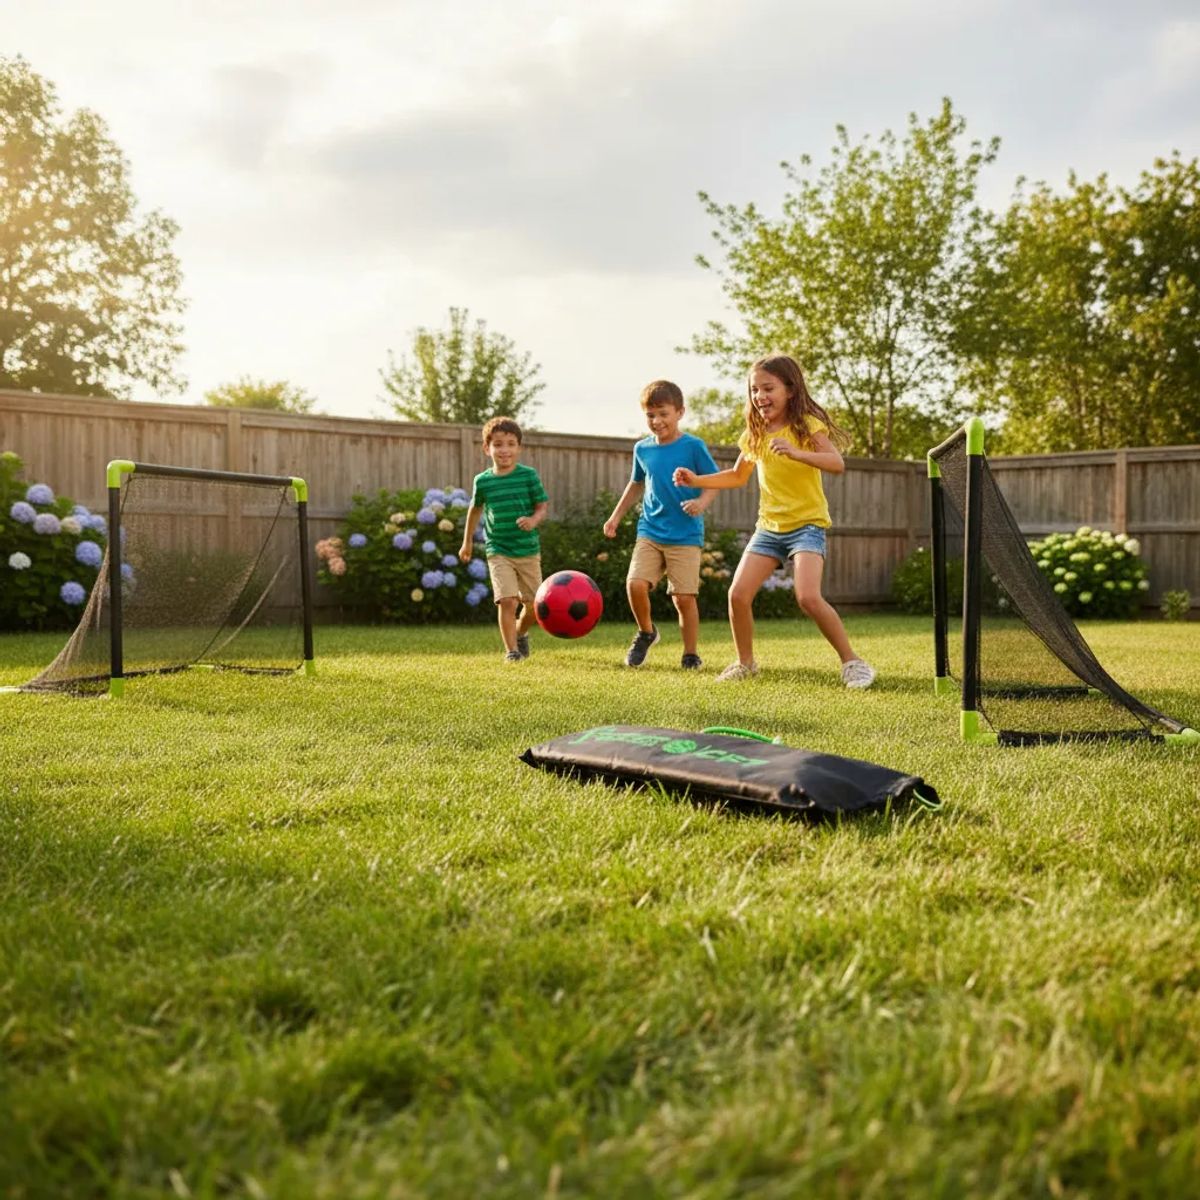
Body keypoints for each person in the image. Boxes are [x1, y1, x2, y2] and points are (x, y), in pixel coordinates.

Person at [672, 354, 875, 687]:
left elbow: (836, 463)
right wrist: (697, 480)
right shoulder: (756, 433)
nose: (760, 396)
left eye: (768, 388)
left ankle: (852, 662)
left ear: (790, 390)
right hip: (768, 528)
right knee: (737, 595)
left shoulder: (805, 425)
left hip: (807, 525)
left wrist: (797, 453)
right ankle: (745, 664)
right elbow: (738, 476)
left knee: (808, 597)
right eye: (755, 389)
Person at [603, 380, 719, 668]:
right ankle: (646, 632)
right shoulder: (642, 449)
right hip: (650, 529)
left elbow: (714, 481)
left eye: (663, 414)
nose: (657, 421)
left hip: (685, 533)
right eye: (651, 415)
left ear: (679, 412)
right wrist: (615, 517)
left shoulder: (693, 446)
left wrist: (701, 503)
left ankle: (690, 654)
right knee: (635, 584)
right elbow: (636, 484)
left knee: (683, 598)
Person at [459, 416, 549, 662]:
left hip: (527, 550)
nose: (504, 450)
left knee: (535, 606)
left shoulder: (528, 476)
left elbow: (542, 506)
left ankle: (521, 633)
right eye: (498, 444)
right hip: (498, 549)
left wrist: (533, 520)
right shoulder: (483, 481)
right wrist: (467, 541)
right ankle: (511, 652)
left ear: (519, 448)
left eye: (510, 444)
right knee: (507, 601)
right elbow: (475, 510)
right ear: (487, 448)